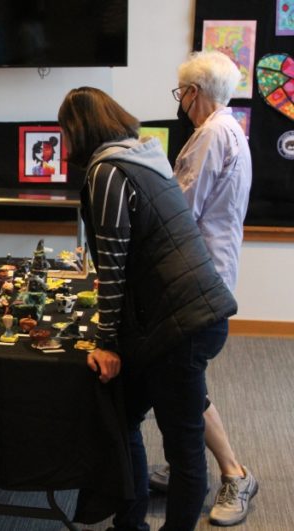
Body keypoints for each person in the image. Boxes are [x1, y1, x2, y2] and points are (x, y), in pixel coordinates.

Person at [58, 86, 238, 531]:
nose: (63, 142)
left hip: (181, 324)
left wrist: (104, 342)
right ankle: (130, 524)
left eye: (63, 131)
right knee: (125, 419)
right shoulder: (142, 157)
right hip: (180, 317)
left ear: (79, 128)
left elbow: (114, 266)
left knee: (183, 446)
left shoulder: (107, 171)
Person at [148, 50, 256, 527]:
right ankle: (188, 462)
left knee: (184, 376)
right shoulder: (229, 130)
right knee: (183, 377)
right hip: (207, 272)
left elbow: (180, 211)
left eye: (182, 93)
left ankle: (233, 473)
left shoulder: (212, 133)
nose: (181, 102)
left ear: (195, 92)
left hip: (197, 277)